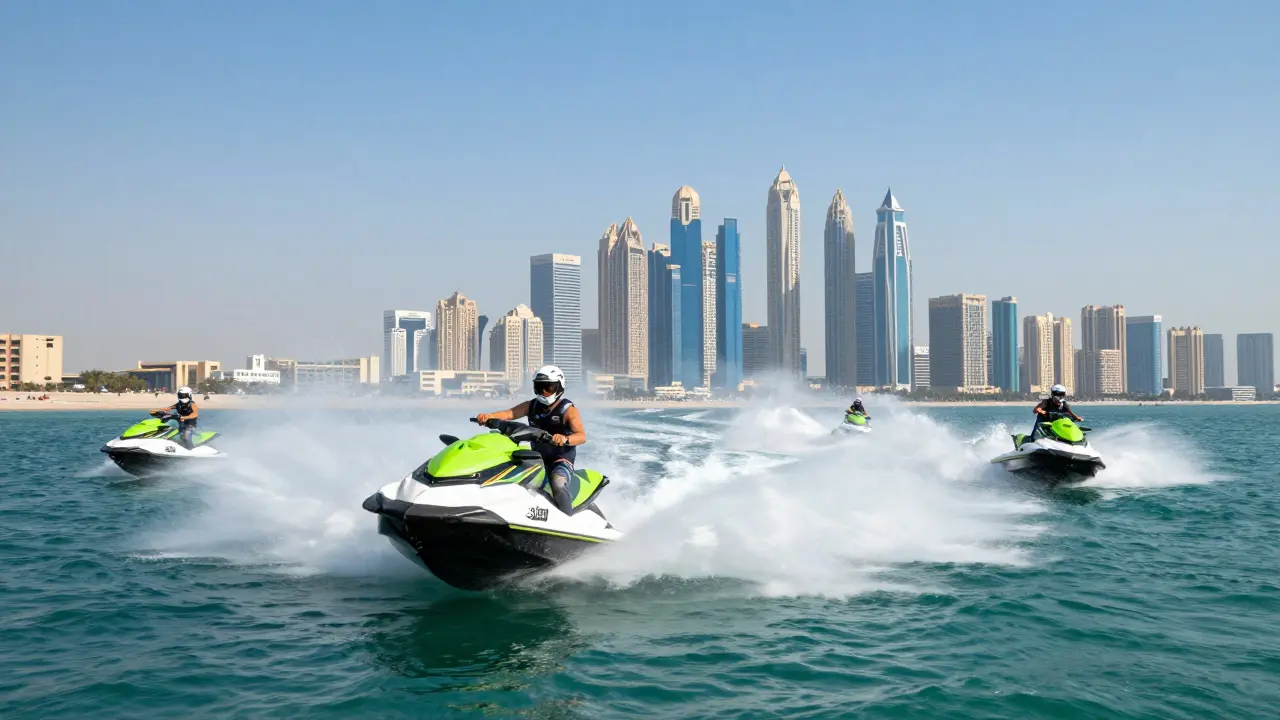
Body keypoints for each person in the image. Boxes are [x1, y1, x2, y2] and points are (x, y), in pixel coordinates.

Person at [475, 365, 585, 515]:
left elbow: (581, 436)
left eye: (549, 388)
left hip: (560, 459)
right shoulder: (531, 406)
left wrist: (565, 439)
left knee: (558, 483)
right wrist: (488, 416)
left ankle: (567, 519)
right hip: (537, 458)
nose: (544, 392)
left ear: (559, 387)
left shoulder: (568, 410)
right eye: (540, 387)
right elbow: (509, 414)